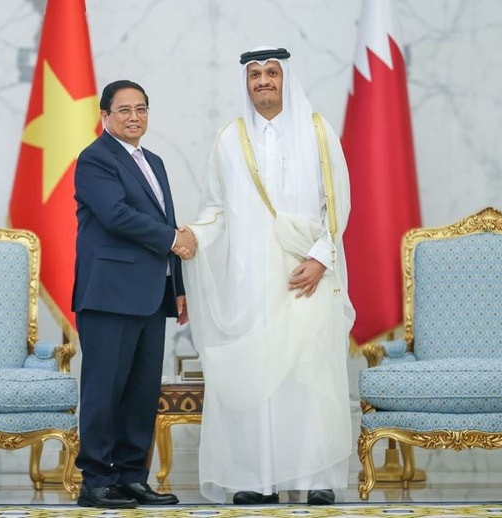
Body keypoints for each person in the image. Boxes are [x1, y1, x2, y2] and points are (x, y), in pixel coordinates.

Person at [182, 47, 355, 505]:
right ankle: (257, 480)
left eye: (271, 73)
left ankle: (316, 478)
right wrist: (192, 237)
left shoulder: (318, 132)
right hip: (251, 282)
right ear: (246, 82)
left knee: (308, 374)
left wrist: (320, 259)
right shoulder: (228, 140)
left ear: (284, 79)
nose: (263, 81)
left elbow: (337, 205)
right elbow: (215, 210)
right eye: (255, 74)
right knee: (260, 379)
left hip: (306, 278)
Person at [72, 79, 196, 509]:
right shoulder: (94, 160)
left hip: (150, 294)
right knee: (105, 389)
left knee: (142, 391)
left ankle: (131, 476)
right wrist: (173, 240)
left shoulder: (155, 161)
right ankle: (95, 480)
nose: (133, 117)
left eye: (140, 108)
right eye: (123, 110)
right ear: (104, 116)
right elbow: (117, 216)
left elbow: (168, 220)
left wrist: (176, 287)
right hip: (108, 295)